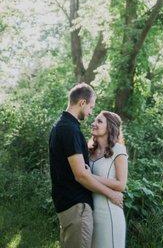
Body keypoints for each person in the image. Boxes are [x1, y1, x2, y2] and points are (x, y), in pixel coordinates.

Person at [49, 83, 123, 248]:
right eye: (91, 106)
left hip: (67, 204)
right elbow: (80, 175)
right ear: (82, 103)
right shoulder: (70, 129)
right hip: (76, 206)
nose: (91, 112)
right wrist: (111, 193)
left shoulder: (60, 125)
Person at [88, 111, 128, 248]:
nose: (94, 123)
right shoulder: (90, 150)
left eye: (99, 121)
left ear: (110, 127)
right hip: (89, 213)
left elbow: (121, 185)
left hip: (109, 213)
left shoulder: (118, 150)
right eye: (94, 120)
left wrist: (89, 176)